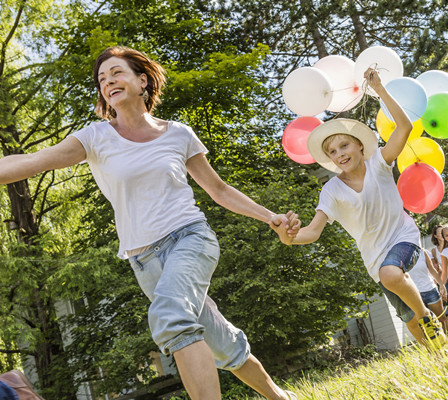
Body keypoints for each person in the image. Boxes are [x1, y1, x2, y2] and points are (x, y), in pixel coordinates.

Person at [0, 46, 299, 400]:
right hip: (144, 261)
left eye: (116, 73)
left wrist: (271, 217)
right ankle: (282, 397)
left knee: (172, 317)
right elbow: (33, 160)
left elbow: (218, 189)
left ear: (142, 81)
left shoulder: (179, 134)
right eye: (101, 79)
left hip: (190, 238)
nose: (108, 81)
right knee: (221, 342)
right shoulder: (95, 137)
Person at [279, 69, 446, 349]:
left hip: (403, 236)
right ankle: (438, 359)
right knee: (408, 319)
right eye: (332, 151)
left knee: (392, 276)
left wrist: (379, 89)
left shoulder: (379, 163)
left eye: (344, 145)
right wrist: (288, 236)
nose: (340, 154)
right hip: (374, 260)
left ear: (359, 145)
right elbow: (312, 232)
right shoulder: (331, 191)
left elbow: (404, 127)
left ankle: (427, 313)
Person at [408, 249, 448, 334]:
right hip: (415, 294)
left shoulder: (422, 252)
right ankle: (436, 343)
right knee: (425, 323)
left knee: (441, 318)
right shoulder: (399, 256)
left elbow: (432, 270)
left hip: (430, 290)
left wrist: (442, 285)